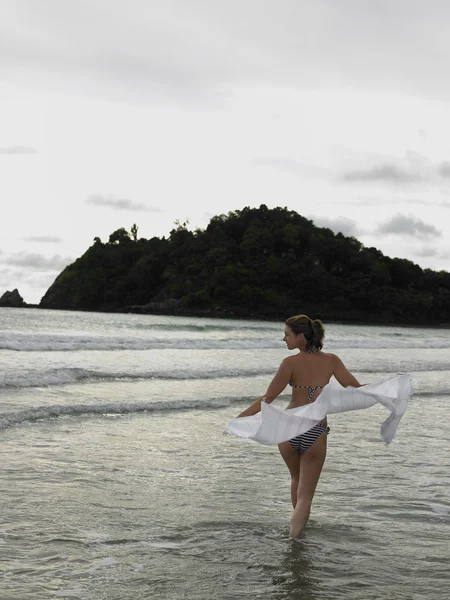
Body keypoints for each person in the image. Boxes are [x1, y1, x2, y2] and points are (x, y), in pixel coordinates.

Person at [235, 314, 362, 539]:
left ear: (301, 337)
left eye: (287, 334)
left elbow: (268, 398)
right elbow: (355, 389)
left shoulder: (290, 363)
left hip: (287, 428)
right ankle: (295, 540)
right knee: (306, 496)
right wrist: (386, 391)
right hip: (314, 429)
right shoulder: (331, 360)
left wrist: (239, 419)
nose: (283, 339)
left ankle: (297, 531)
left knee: (296, 479)